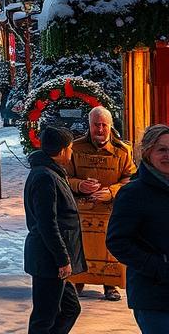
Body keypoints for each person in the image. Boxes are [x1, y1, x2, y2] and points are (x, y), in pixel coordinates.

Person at [65, 106, 135, 301]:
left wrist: (111, 192)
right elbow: (65, 177)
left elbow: (130, 178)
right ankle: (78, 280)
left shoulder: (123, 150)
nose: (100, 129)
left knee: (109, 248)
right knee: (82, 247)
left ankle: (110, 284)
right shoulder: (75, 148)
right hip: (81, 210)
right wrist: (80, 185)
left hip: (110, 210)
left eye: (104, 125)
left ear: (111, 126)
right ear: (89, 125)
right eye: (96, 125)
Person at [106, 124, 169, 334]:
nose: (168, 155)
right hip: (153, 297)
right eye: (162, 149)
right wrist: (159, 267)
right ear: (148, 151)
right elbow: (118, 241)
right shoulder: (133, 193)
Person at [24, 126, 85, 334]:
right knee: (44, 318)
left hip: (52, 258)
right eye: (70, 148)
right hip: (48, 259)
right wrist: (62, 259)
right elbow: (47, 223)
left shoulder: (51, 173)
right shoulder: (45, 177)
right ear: (60, 151)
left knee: (70, 308)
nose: (72, 152)